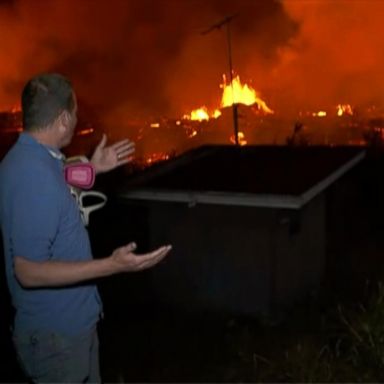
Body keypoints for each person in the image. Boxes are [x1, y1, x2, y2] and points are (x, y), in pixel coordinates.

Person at [0, 73, 172, 383]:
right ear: (64, 118)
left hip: (69, 331)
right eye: (76, 112)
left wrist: (93, 168)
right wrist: (111, 265)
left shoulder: (36, 156)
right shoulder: (32, 176)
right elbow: (27, 270)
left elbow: (58, 187)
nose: (79, 118)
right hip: (58, 339)